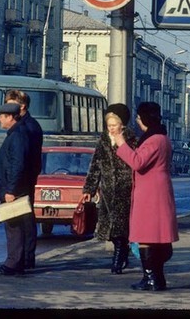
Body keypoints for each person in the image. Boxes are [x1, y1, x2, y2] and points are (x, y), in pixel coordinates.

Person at [113, 102, 178, 291]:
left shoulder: (153, 140)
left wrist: (121, 143)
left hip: (150, 194)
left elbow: (137, 162)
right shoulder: (161, 137)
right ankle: (156, 277)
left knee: (146, 236)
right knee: (154, 235)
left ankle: (151, 279)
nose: (137, 121)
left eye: (139, 118)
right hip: (156, 191)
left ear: (145, 119)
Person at [81, 103, 137, 274]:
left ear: (122, 125)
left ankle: (117, 261)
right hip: (107, 192)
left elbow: (135, 163)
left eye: (114, 125)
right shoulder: (103, 140)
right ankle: (123, 254)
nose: (111, 129)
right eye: (109, 125)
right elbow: (96, 166)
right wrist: (89, 190)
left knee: (120, 229)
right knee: (110, 231)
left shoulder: (132, 140)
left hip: (125, 191)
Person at [0, 102, 32, 276]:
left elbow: (18, 165)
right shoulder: (15, 134)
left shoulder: (17, 136)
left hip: (12, 191)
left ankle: (13, 263)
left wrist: (11, 191)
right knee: (14, 226)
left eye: (1, 116)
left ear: (10, 117)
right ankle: (16, 262)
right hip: (11, 188)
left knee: (14, 227)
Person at [4, 89, 43, 270]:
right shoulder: (26, 125)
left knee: (25, 219)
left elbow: (23, 157)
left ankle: (26, 259)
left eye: (10, 104)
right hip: (23, 177)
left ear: (22, 106)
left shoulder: (28, 127)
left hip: (24, 179)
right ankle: (23, 259)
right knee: (21, 218)